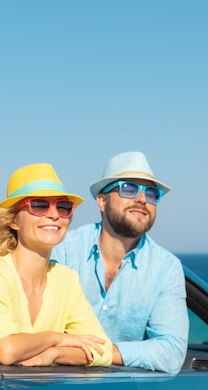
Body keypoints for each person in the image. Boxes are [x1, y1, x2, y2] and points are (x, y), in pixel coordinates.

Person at [50, 151, 189, 373]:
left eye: (152, 193)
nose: (142, 199)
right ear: (102, 201)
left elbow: (171, 352)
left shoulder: (166, 268)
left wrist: (93, 354)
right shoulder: (64, 250)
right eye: (129, 188)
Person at [0, 163, 113, 367]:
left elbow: (104, 350)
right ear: (13, 221)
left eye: (63, 207)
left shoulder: (66, 279)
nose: (54, 215)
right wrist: (57, 338)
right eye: (39, 205)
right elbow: (5, 350)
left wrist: (54, 354)